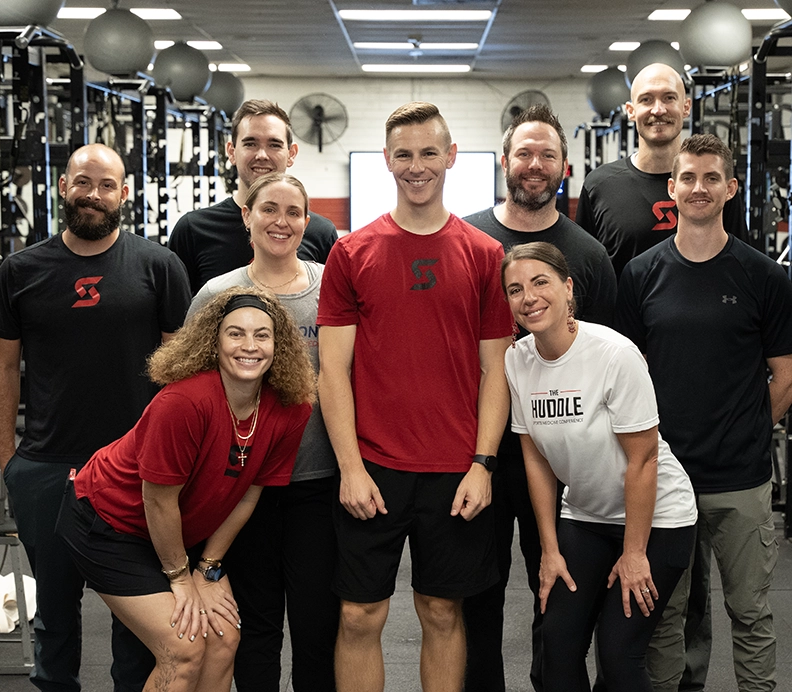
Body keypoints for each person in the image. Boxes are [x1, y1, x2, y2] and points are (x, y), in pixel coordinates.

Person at [317, 101, 512, 692]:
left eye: (429, 152)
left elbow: (496, 371)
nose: (416, 165)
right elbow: (332, 373)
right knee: (358, 615)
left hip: (455, 473)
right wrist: (350, 468)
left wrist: (483, 464)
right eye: (404, 154)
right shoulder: (351, 253)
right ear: (386, 160)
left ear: (451, 157)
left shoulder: (484, 254)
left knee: (442, 611)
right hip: (373, 469)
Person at [0, 143, 191, 692]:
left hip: (134, 471)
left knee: (135, 618)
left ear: (124, 193)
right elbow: (3, 368)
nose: (94, 195)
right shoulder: (20, 271)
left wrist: (170, 463)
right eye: (83, 182)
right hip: (47, 465)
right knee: (54, 613)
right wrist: (9, 460)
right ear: (63, 187)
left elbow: (180, 373)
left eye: (106, 185)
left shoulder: (159, 266)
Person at [56, 286, 315, 692]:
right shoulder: (184, 402)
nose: (249, 346)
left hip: (177, 530)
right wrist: (181, 578)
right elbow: (158, 501)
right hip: (109, 523)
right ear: (214, 341)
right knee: (184, 647)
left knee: (225, 639)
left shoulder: (291, 408)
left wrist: (208, 567)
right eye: (235, 333)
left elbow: (250, 492)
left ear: (278, 344)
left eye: (262, 335)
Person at [616, 134, 792, 692]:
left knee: (750, 613)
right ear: (671, 188)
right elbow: (628, 376)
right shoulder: (641, 275)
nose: (698, 188)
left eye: (710, 178)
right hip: (666, 480)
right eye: (687, 178)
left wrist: (744, 428)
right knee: (665, 617)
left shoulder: (764, 276)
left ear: (730, 188)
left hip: (740, 479)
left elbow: (786, 376)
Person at [463, 104, 616, 692]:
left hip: (561, 459)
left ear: (565, 167)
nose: (534, 164)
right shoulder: (471, 241)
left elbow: (604, 360)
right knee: (479, 594)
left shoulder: (589, 256)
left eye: (547, 154)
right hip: (481, 454)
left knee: (556, 592)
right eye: (524, 153)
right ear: (505, 161)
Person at [502, 240, 697, 692]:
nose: (529, 297)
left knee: (618, 651)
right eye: (515, 289)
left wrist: (634, 554)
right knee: (557, 642)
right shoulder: (518, 361)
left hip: (658, 517)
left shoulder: (613, 354)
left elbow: (643, 458)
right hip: (586, 516)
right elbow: (536, 458)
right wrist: (549, 550)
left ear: (568, 288)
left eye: (540, 282)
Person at [187, 172, 339, 691]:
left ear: (307, 220)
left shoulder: (331, 285)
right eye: (268, 209)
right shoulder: (218, 293)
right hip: (241, 487)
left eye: (293, 212)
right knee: (256, 628)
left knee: (318, 628)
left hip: (318, 483)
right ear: (246, 217)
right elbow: (190, 388)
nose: (282, 221)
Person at [575, 62, 747, 279]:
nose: (658, 109)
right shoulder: (600, 185)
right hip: (625, 313)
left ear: (686, 107)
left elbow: (741, 265)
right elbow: (583, 274)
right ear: (631, 111)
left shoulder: (713, 184)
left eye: (669, 98)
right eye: (646, 99)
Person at [169, 99, 338, 292]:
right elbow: (180, 317)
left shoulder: (321, 233)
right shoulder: (193, 230)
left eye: (274, 145)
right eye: (250, 144)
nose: (262, 155)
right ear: (231, 152)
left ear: (291, 153)